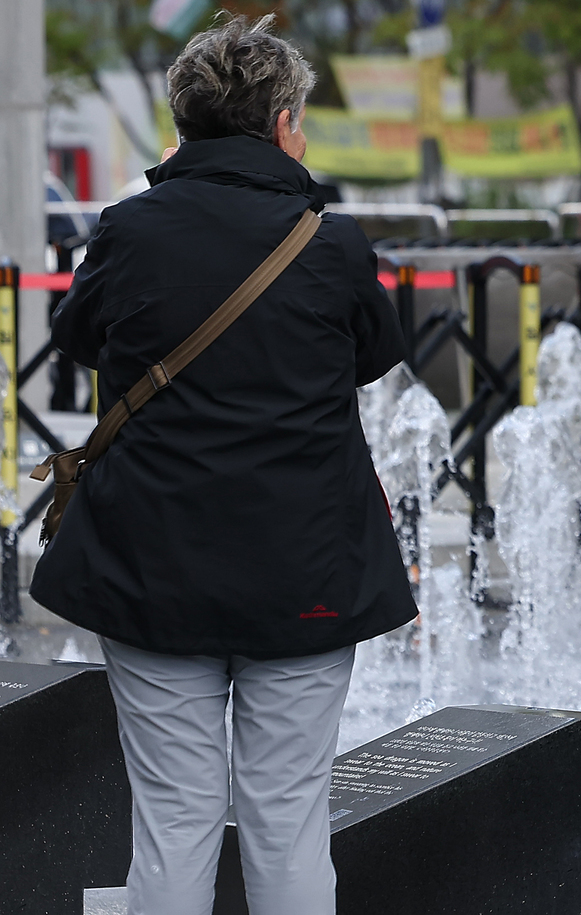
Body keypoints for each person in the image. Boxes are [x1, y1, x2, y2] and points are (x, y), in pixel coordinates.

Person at [29, 15, 417, 914]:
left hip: (149, 564)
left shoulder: (127, 230)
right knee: (288, 818)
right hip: (306, 569)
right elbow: (373, 353)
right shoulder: (331, 243)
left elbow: (79, 343)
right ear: (284, 124)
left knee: (171, 818)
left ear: (183, 124)